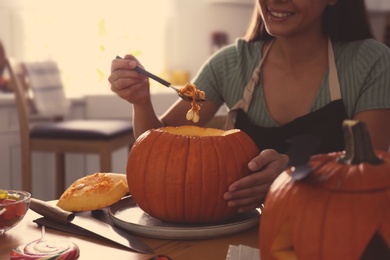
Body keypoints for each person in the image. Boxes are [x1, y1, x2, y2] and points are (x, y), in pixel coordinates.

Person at [109, 0, 390, 213]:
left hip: (335, 230)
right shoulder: (230, 64)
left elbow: (369, 167)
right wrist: (141, 101)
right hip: (243, 235)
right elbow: (159, 152)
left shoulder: (371, 63)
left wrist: (293, 173)